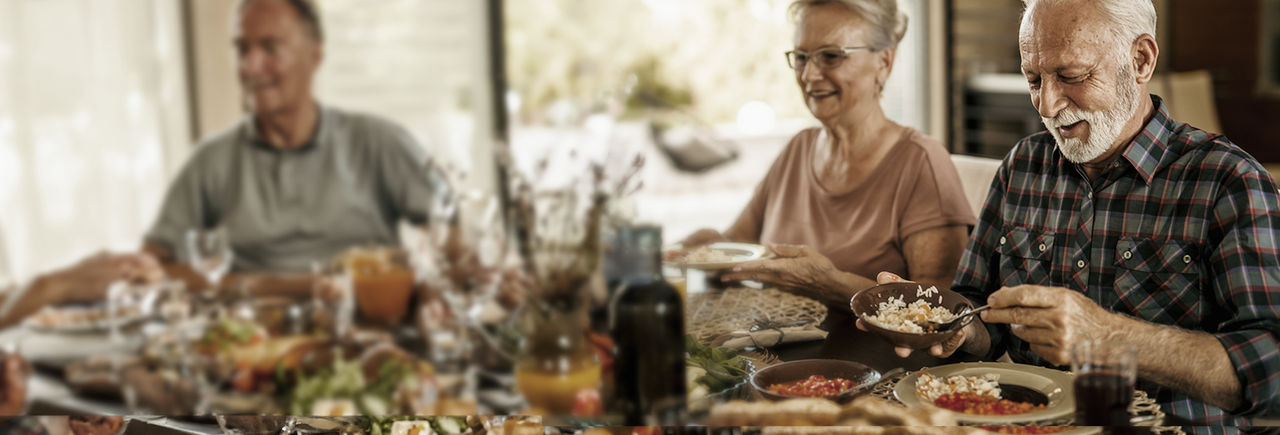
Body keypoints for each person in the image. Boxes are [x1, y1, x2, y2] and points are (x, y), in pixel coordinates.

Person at [885, 0, 1280, 425]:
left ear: (1140, 59)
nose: (1047, 106)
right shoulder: (1023, 165)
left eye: (1071, 76)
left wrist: (1107, 337)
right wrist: (950, 324)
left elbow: (1271, 374)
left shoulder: (1228, 180)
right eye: (1033, 79)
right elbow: (982, 312)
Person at [143, 0, 452, 298]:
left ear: (314, 57)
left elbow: (452, 235)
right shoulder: (210, 160)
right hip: (252, 333)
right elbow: (149, 266)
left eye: (269, 47)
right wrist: (276, 286)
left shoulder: (376, 141)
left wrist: (427, 289)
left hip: (368, 327)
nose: (250, 66)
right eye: (241, 49)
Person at [682, 0, 975, 309]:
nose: (809, 75)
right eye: (801, 57)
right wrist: (706, 249)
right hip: (773, 354)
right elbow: (738, 248)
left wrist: (833, 284)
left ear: (884, 63)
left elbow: (941, 310)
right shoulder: (799, 147)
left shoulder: (921, 161)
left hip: (869, 359)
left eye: (830, 57)